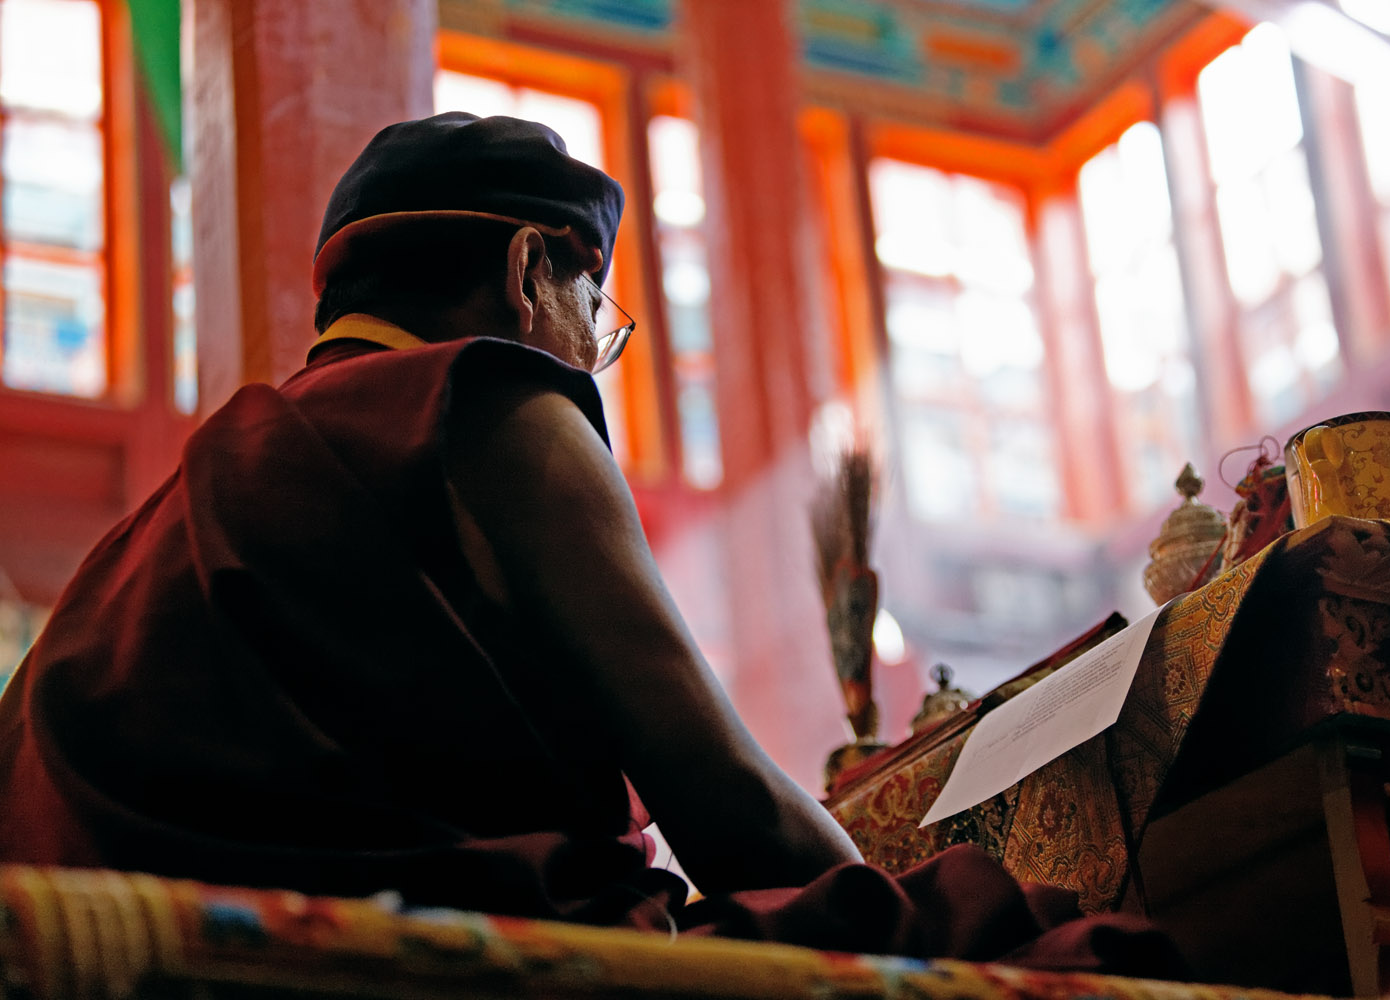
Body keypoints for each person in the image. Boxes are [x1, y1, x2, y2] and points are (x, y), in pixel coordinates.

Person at [0, 113, 1183, 975]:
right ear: (529, 271)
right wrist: (905, 899)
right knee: (1011, 932)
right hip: (430, 956)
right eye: (596, 315)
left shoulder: (160, 517)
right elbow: (727, 809)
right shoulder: (490, 400)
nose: (588, 355)